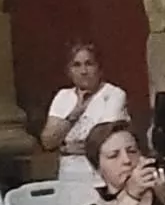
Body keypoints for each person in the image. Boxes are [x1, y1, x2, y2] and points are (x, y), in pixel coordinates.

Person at [40, 42, 129, 185]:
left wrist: (66, 147)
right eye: (76, 65)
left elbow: (103, 141)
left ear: (99, 69)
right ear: (69, 71)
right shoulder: (63, 96)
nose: (83, 71)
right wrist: (76, 112)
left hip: (101, 176)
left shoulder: (114, 94)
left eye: (89, 64)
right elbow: (48, 142)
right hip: (69, 175)